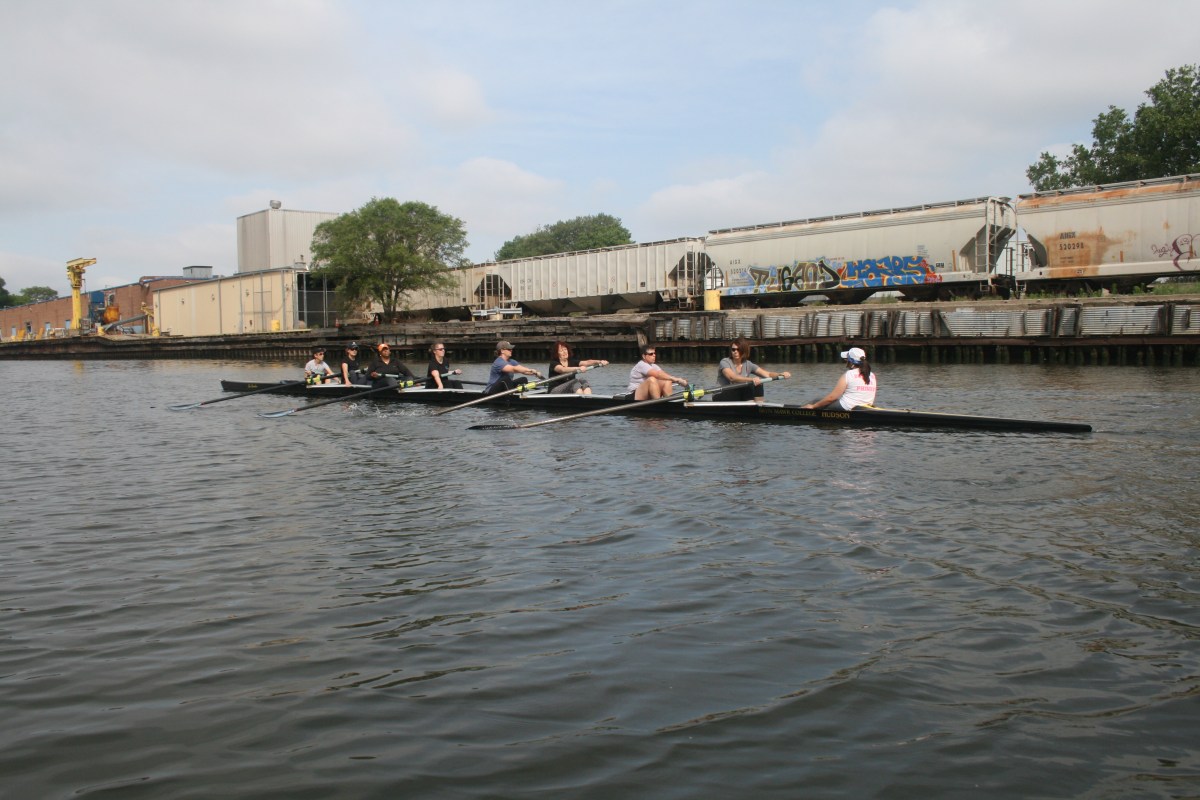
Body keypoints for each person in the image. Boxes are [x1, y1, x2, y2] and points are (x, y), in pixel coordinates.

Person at [717, 337, 791, 403]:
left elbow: (767, 374)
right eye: (733, 349)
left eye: (738, 349)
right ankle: (751, 405)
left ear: (744, 350)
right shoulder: (725, 362)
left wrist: (780, 374)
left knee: (759, 383)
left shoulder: (748, 364)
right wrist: (752, 379)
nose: (735, 352)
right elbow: (732, 378)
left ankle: (759, 406)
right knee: (750, 384)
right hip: (721, 395)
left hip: (739, 394)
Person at [802, 347, 877, 410]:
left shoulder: (849, 374)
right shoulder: (872, 375)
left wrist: (813, 406)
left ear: (851, 362)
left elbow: (832, 398)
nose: (845, 361)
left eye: (847, 359)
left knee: (817, 401)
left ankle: (802, 410)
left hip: (847, 407)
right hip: (866, 407)